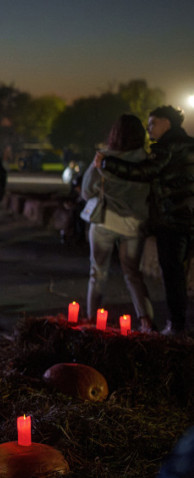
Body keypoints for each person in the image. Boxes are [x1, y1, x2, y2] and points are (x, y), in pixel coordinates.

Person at [96, 105, 194, 336]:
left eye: (153, 124)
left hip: (172, 220)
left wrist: (107, 163)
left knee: (173, 274)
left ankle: (177, 326)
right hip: (189, 217)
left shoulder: (167, 148)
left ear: (167, 123)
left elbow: (144, 171)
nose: (149, 130)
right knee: (181, 271)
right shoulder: (190, 143)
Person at [82, 115, 154, 326]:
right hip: (134, 224)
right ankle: (146, 321)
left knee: (98, 273)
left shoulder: (103, 158)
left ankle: (93, 319)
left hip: (105, 221)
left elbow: (86, 191)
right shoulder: (147, 162)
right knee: (133, 273)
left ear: (114, 134)